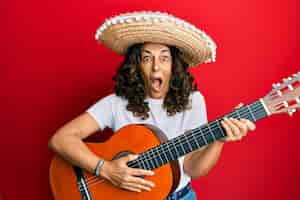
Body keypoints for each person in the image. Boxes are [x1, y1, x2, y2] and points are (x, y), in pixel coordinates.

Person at [48, 11, 256, 200]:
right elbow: (60, 140)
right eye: (147, 58)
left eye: (164, 58)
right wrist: (106, 170)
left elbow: (192, 168)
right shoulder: (115, 104)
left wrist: (217, 140)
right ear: (136, 65)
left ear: (174, 66)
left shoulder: (194, 101)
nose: (156, 66)